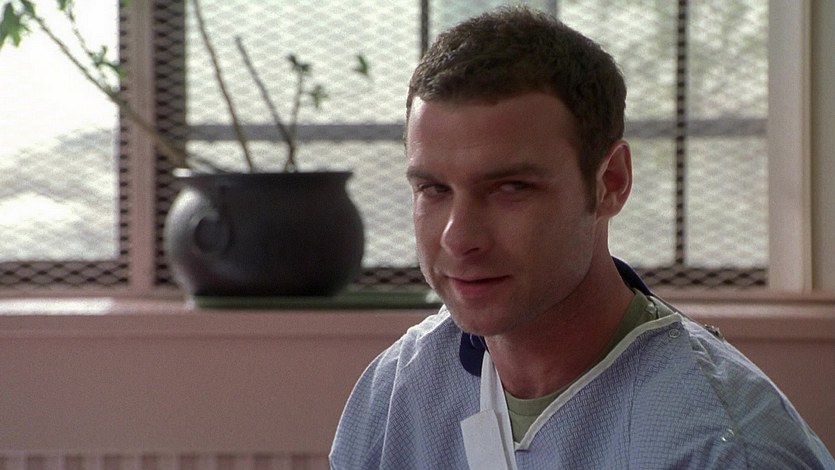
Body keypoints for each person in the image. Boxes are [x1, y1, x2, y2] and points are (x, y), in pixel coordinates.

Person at [330, 6, 835, 469]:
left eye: (511, 188)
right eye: (433, 189)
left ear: (610, 182)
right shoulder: (395, 396)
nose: (459, 238)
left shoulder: (721, 448)